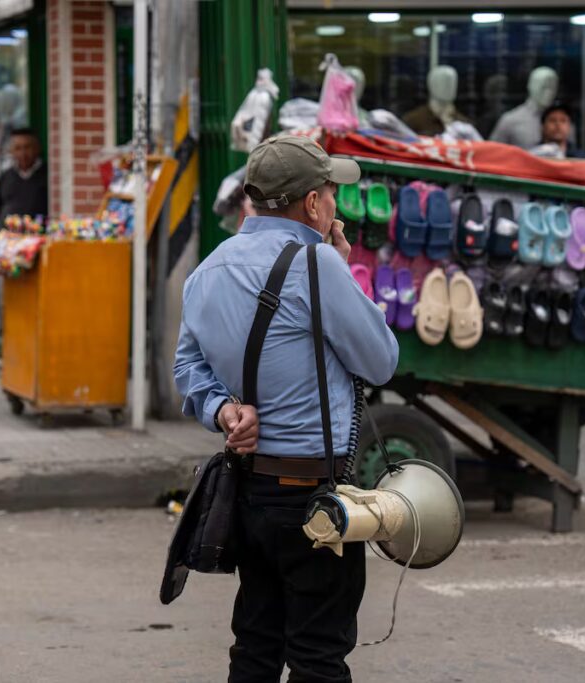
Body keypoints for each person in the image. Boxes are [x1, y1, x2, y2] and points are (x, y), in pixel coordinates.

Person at [173, 134, 399, 682]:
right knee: (319, 655)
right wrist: (343, 269)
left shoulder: (210, 268)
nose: (334, 203)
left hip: (249, 495)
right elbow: (380, 360)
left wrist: (225, 412)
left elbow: (187, 368)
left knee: (254, 645)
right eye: (330, 191)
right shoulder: (318, 264)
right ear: (314, 203)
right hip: (312, 499)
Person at [0, 127, 48, 221]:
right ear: (12, 151)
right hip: (10, 234)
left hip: (40, 234)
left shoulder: (48, 175)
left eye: (27, 147)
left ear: (37, 148)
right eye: (18, 148)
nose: (23, 153)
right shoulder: (6, 176)